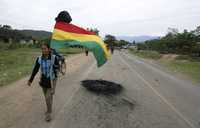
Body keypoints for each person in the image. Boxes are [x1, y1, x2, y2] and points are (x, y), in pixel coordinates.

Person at [27, 43, 59, 122]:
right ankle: (49, 106)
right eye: (42, 49)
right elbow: (35, 70)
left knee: (48, 97)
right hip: (43, 80)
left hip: (52, 80)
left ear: (48, 49)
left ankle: (49, 113)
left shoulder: (54, 58)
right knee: (47, 97)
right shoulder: (39, 59)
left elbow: (57, 68)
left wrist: (55, 66)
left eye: (45, 48)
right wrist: (30, 80)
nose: (43, 50)